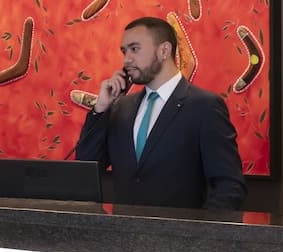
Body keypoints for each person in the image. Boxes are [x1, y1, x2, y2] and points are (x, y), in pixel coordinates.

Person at [75, 16, 246, 209]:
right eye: (124, 51)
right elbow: (86, 167)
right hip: (123, 227)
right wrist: (100, 109)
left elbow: (229, 186)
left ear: (164, 50)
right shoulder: (120, 107)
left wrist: (199, 228)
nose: (126, 59)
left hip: (180, 227)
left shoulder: (205, 107)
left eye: (134, 49)